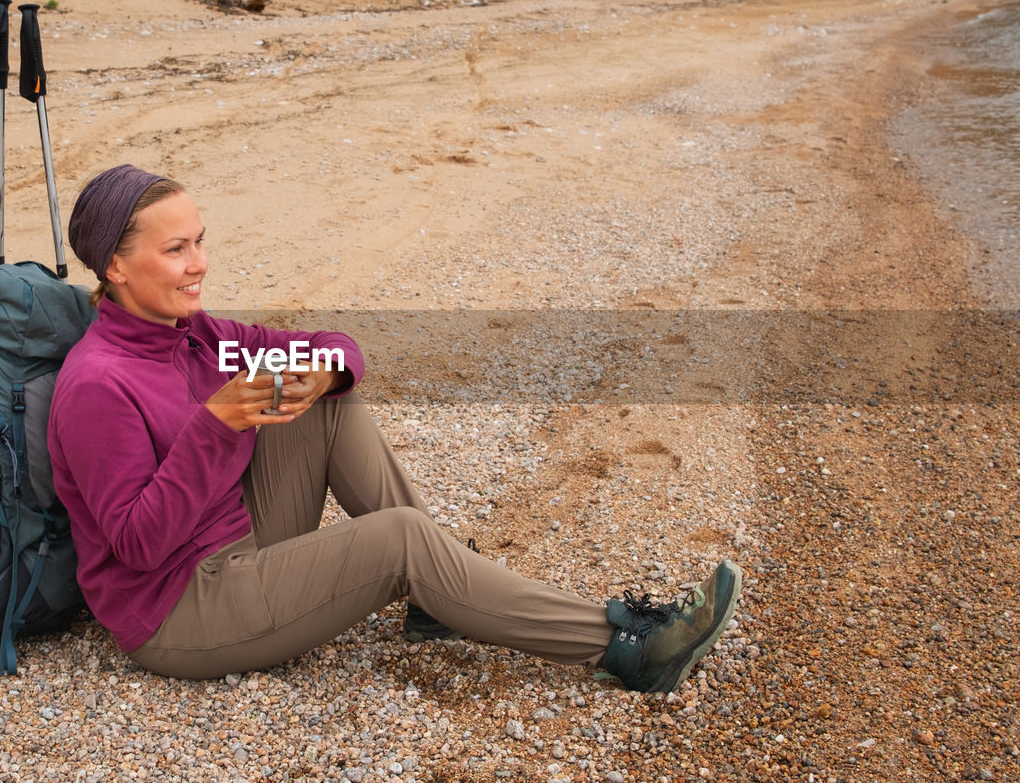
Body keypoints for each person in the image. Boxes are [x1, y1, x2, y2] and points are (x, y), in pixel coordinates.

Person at [47, 164, 742, 690]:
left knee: (329, 397)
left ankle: (441, 596)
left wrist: (323, 372)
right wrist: (220, 420)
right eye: (175, 250)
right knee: (404, 537)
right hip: (177, 608)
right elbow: (139, 545)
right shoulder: (98, 384)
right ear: (114, 265)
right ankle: (627, 647)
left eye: (200, 241)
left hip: (235, 539)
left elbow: (337, 346)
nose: (199, 263)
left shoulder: (195, 336)